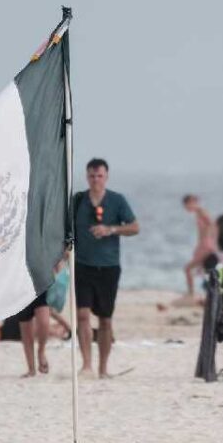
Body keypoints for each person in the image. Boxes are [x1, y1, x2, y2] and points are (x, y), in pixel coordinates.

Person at [74, 158, 139, 379]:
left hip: (109, 267)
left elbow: (135, 227)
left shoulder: (117, 200)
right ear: (87, 177)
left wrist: (110, 229)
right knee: (82, 315)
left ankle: (103, 368)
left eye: (99, 176)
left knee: (105, 320)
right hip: (82, 265)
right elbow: (66, 230)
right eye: (92, 176)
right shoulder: (78, 200)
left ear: (106, 177)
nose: (95, 180)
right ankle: (86, 365)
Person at [181, 194, 217, 297]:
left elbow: (212, 224)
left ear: (191, 202)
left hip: (206, 245)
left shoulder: (201, 211)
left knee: (188, 269)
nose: (186, 209)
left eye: (186, 206)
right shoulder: (198, 212)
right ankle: (201, 292)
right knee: (200, 270)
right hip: (204, 245)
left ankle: (191, 293)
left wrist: (210, 240)